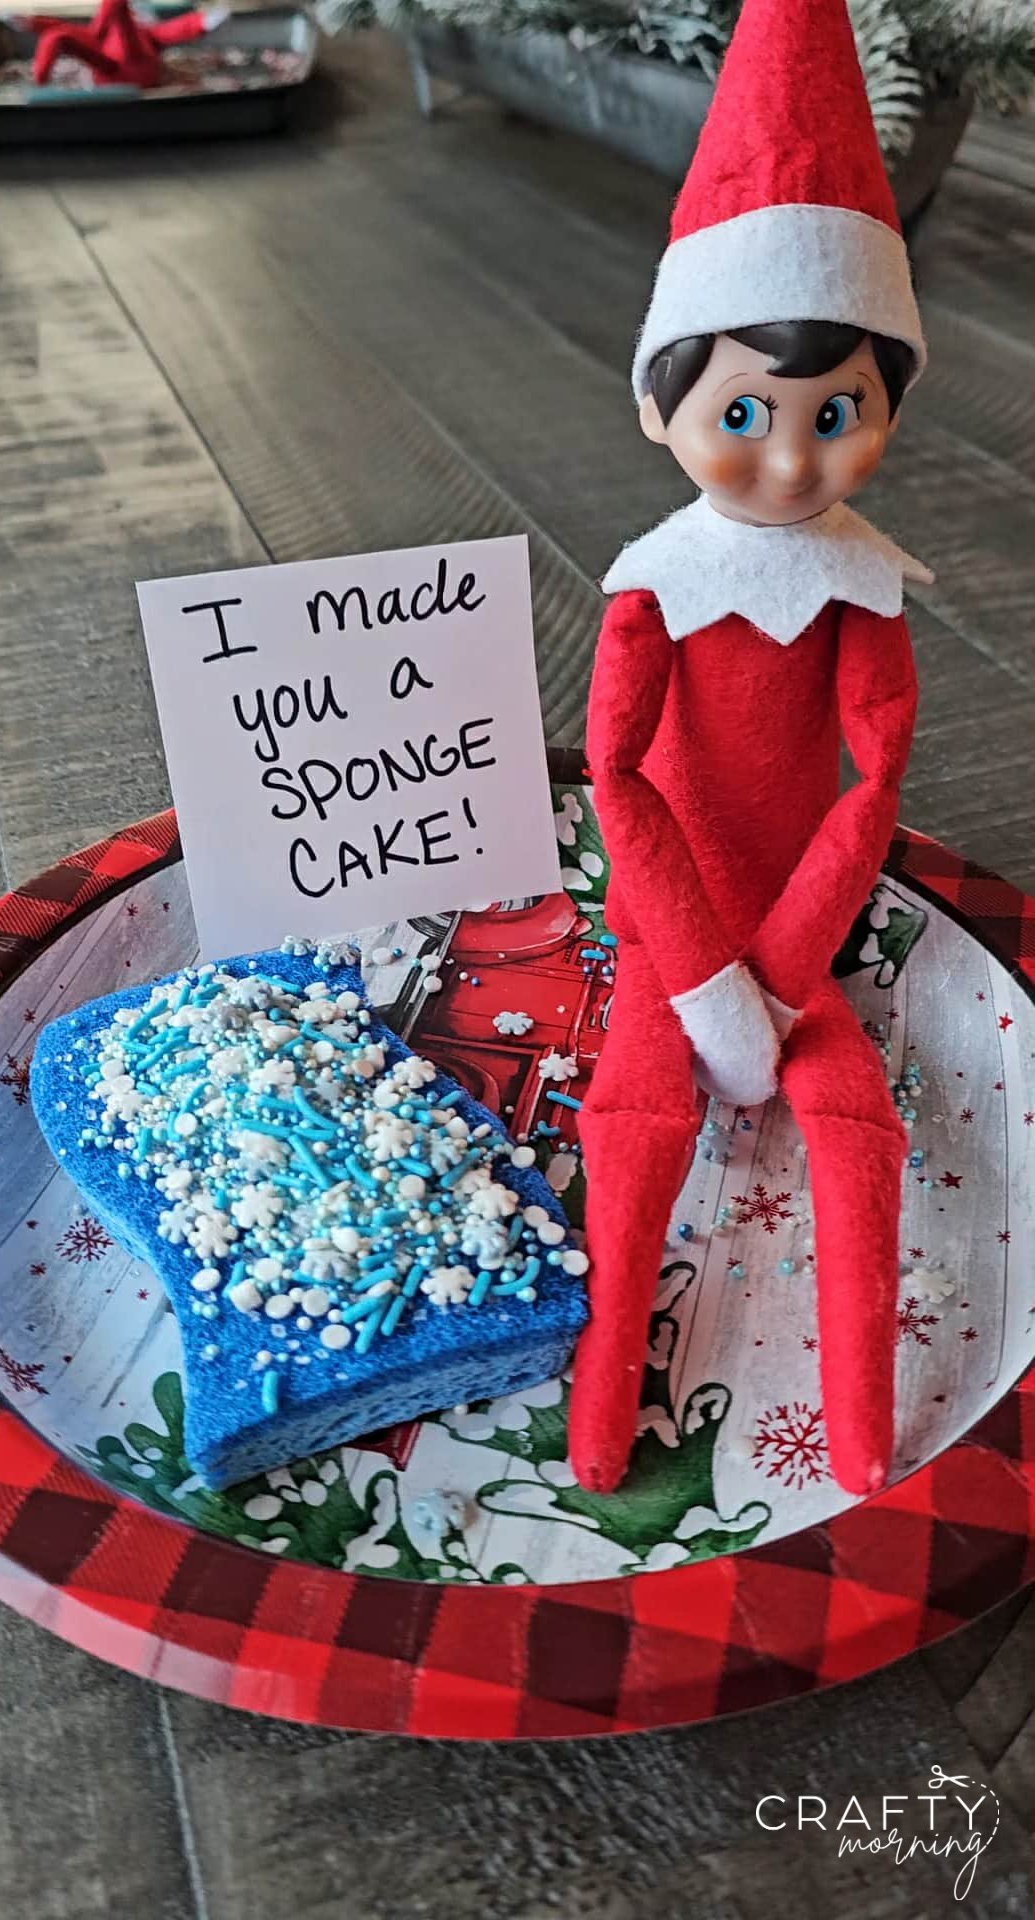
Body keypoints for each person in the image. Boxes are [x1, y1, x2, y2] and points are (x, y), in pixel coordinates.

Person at [567, 0, 931, 1499]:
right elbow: (617, 776)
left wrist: (779, 978)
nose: (790, 459)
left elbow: (874, 782)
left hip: (798, 934)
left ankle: (867, 1447)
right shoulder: (655, 589)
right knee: (633, 1128)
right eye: (742, 411)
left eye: (837, 412)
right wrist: (708, 976)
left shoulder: (859, 587)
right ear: (662, 409)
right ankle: (599, 1419)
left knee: (857, 1131)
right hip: (674, 936)